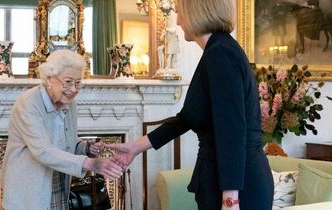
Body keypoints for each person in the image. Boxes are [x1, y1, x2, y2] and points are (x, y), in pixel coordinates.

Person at [110, 0, 274, 210]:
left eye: (181, 13)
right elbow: (187, 118)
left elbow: (231, 128)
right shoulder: (217, 50)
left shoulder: (220, 53)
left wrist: (230, 199)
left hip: (238, 186)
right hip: (222, 179)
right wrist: (134, 147)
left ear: (197, 12)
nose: (178, 21)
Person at [0, 50, 123, 210]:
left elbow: (67, 141)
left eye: (78, 83)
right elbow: (42, 151)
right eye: (67, 82)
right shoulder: (29, 104)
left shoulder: (69, 103)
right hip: (29, 186)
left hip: (58, 179)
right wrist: (90, 164)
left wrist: (85, 147)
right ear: (49, 79)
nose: (73, 89)